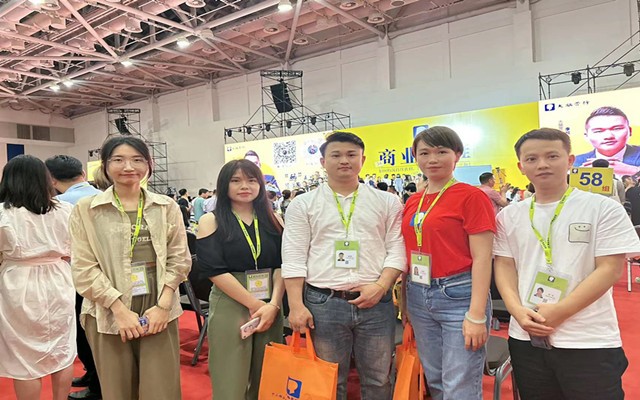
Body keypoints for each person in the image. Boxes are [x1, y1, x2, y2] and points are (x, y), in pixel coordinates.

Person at [494, 128, 640, 400]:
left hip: (588, 338)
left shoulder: (602, 208)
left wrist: (561, 311)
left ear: (570, 160)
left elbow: (610, 269)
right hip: (526, 335)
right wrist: (516, 311)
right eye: (532, 159)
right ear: (521, 166)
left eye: (552, 156)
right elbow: (504, 266)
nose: (542, 164)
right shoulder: (509, 215)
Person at [282, 131, 406, 400]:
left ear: (363, 159)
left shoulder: (387, 201)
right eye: (336, 155)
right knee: (328, 380)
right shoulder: (303, 204)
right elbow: (293, 257)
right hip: (324, 303)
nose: (344, 161)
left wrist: (381, 286)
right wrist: (296, 305)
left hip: (376, 302)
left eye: (351, 155)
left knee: (378, 379)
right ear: (323, 162)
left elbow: (397, 249)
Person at [69, 135, 191, 400]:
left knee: (161, 390)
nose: (128, 167)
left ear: (149, 164)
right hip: (108, 309)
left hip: (159, 305)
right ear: (104, 165)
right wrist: (119, 310)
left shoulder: (166, 206)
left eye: (137, 159)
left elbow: (180, 258)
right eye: (118, 160)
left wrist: (163, 306)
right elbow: (83, 267)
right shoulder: (87, 209)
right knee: (118, 390)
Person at [401, 126, 495, 400]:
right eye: (424, 153)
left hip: (459, 295)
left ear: (457, 155)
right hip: (418, 293)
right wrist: (406, 302)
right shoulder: (414, 201)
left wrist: (476, 314)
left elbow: (483, 258)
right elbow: (409, 251)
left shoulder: (471, 196)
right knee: (435, 379)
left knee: (459, 385)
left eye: (441, 152)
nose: (432, 159)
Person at [196, 159, 285, 400]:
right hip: (231, 301)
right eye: (236, 180)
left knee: (267, 375)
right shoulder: (211, 220)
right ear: (224, 185)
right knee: (230, 376)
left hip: (271, 302)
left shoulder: (274, 219)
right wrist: (255, 304)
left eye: (251, 180)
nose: (244, 186)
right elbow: (214, 271)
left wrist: (273, 305)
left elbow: (282, 266)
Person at [0, 155, 75, 400]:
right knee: (63, 349)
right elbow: (75, 249)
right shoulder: (65, 210)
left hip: (18, 282)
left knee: (24, 357)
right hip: (59, 278)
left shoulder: (4, 213)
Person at [45, 155, 102, 400]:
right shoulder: (105, 196)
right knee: (100, 332)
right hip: (107, 275)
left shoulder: (57, 205)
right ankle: (95, 377)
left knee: (83, 332)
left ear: (51, 179)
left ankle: (97, 386)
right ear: (83, 174)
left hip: (76, 277)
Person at [574, 106, 640, 177]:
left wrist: (634, 171)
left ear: (630, 131)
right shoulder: (576, 162)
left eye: (616, 129)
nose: (608, 136)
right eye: (598, 131)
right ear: (586, 135)